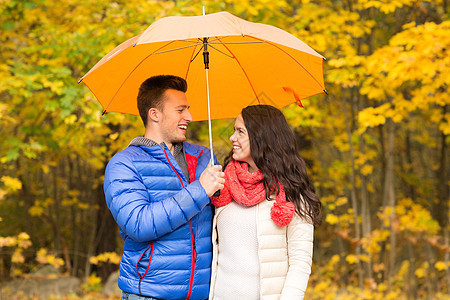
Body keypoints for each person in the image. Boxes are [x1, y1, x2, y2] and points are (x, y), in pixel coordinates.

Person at [104, 75, 225, 300]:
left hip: (204, 293)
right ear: (155, 114)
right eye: (180, 110)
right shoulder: (124, 164)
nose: (189, 117)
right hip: (150, 293)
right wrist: (200, 191)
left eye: (188, 109)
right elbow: (138, 224)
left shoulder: (204, 158)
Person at [209, 104, 322, 300]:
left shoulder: (292, 192)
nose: (232, 138)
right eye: (234, 131)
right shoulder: (223, 184)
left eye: (240, 132)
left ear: (262, 137)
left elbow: (300, 263)